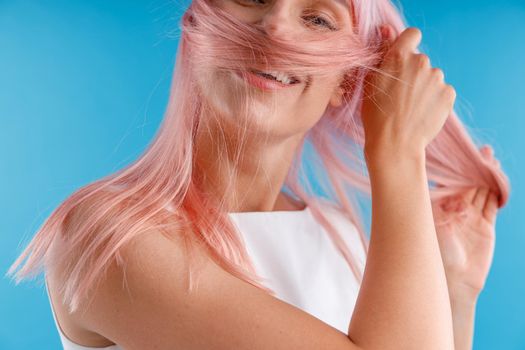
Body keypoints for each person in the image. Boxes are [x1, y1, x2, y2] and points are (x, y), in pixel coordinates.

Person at [7, 0, 509, 349]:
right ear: (196, 30)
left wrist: (453, 292)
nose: (276, 28)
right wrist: (398, 154)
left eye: (317, 17)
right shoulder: (112, 237)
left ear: (348, 82)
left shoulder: (339, 233)